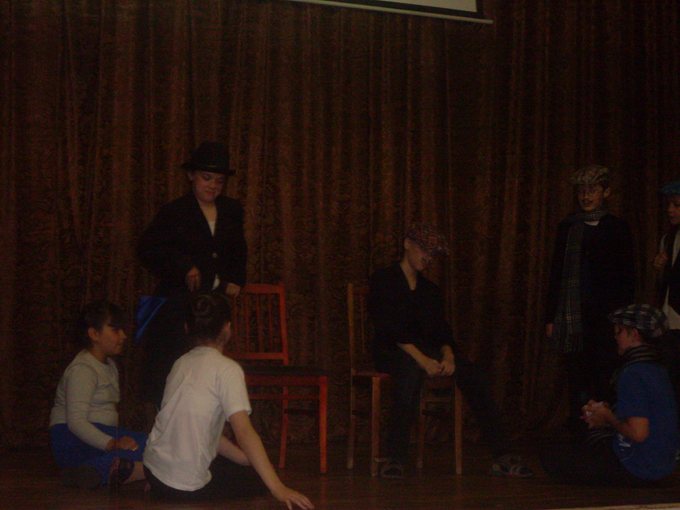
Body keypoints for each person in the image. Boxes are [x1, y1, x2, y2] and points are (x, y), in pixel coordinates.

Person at [368, 222, 533, 479]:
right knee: (409, 374)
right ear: (407, 244)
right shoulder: (383, 280)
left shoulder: (430, 290)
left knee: (475, 375)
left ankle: (503, 454)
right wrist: (423, 360)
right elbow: (389, 328)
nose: (428, 257)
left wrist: (448, 355)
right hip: (393, 351)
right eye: (424, 249)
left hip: (427, 352)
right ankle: (394, 457)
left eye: (432, 253)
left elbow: (441, 331)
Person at [143, 292, 314, 509]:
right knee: (256, 479)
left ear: (187, 328)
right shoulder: (227, 370)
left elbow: (198, 429)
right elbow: (244, 432)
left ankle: (160, 483)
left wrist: (244, 458)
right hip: (182, 488)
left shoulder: (180, 363)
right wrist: (278, 488)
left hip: (153, 471)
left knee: (243, 465)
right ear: (227, 328)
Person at [137, 141, 247, 409]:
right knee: (172, 365)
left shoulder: (232, 210)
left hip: (214, 305)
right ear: (191, 176)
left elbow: (239, 250)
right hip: (179, 305)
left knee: (210, 372)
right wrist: (184, 266)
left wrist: (235, 279)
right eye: (206, 178)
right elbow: (148, 249)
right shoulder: (175, 211)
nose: (213, 186)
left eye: (219, 181)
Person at [541, 304, 679, 485]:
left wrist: (607, 417)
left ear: (634, 334)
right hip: (662, 464)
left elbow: (638, 433)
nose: (615, 338)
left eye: (619, 332)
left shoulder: (634, 373)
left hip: (639, 466)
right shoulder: (657, 369)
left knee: (552, 455)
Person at [545, 165, 635, 436]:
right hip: (573, 317)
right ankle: (580, 425)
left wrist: (623, 318)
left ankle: (603, 427)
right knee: (576, 373)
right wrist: (550, 317)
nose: (586, 196)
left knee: (603, 372)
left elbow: (626, 275)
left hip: (606, 316)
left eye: (592, 190)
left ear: (605, 192)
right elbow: (557, 274)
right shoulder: (568, 227)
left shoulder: (617, 228)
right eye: (582, 191)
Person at [49, 300, 147, 489]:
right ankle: (96, 470)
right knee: (147, 445)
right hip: (72, 439)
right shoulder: (82, 369)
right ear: (94, 334)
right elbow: (76, 422)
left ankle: (116, 469)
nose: (123, 336)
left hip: (98, 437)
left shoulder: (110, 366)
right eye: (116, 330)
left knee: (151, 444)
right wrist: (111, 443)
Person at [652, 179, 680, 413]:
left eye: (677, 205)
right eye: (669, 205)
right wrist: (660, 269)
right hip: (670, 317)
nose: (670, 210)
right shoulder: (668, 238)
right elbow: (665, 283)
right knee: (671, 378)